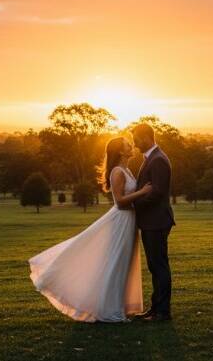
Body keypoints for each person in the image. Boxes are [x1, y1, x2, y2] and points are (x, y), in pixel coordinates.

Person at [28, 136, 151, 322]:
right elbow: (119, 202)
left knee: (124, 264)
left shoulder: (127, 170)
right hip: (121, 220)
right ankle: (109, 310)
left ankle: (119, 306)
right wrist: (142, 192)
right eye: (127, 145)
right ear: (120, 151)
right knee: (116, 263)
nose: (132, 146)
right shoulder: (117, 172)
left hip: (129, 221)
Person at [130, 123, 176, 321]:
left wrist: (135, 205)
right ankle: (155, 308)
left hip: (156, 221)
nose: (134, 143)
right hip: (152, 221)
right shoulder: (152, 158)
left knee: (159, 266)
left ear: (146, 137)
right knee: (155, 266)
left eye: (136, 139)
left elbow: (156, 193)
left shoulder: (157, 160)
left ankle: (163, 312)